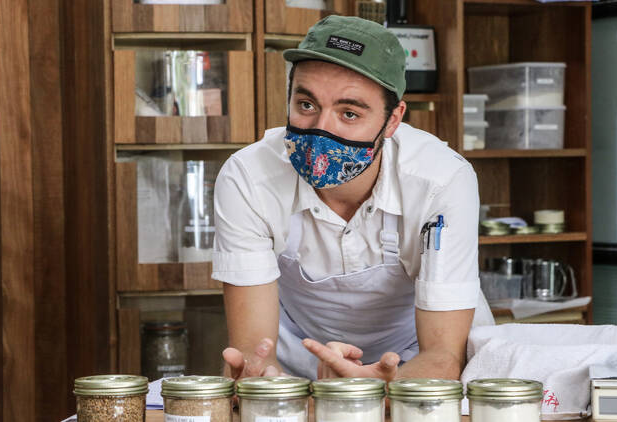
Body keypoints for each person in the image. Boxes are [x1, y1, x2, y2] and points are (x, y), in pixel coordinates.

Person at [212, 15, 494, 382]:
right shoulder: (248, 178)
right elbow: (253, 346)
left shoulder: (441, 181)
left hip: (417, 368)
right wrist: (254, 377)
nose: (322, 130)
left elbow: (442, 357)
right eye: (307, 105)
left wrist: (385, 387)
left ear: (393, 121)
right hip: (298, 367)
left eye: (349, 113)